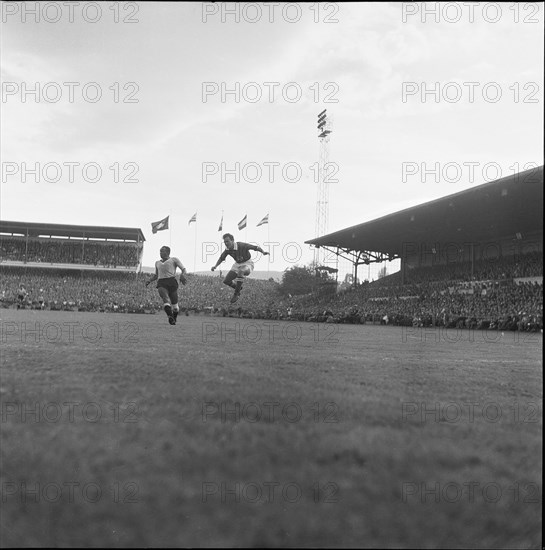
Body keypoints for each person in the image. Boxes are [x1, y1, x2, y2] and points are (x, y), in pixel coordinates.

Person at [211, 233, 269, 303]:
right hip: (237, 264)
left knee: (241, 271)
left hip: (247, 263)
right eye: (225, 242)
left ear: (232, 240)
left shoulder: (241, 245)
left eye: (227, 241)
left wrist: (263, 252)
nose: (226, 243)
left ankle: (236, 294)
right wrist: (215, 266)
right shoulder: (227, 250)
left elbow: (255, 247)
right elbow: (221, 258)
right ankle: (238, 287)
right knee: (226, 281)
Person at [146, 246, 187, 325]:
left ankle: (174, 317)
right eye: (160, 251)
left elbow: (184, 269)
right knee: (165, 298)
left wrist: (182, 275)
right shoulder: (157, 262)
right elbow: (156, 275)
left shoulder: (174, 260)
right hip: (161, 282)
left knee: (175, 307)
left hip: (172, 281)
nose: (160, 253)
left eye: (162, 251)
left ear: (168, 252)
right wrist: (150, 280)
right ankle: (170, 317)